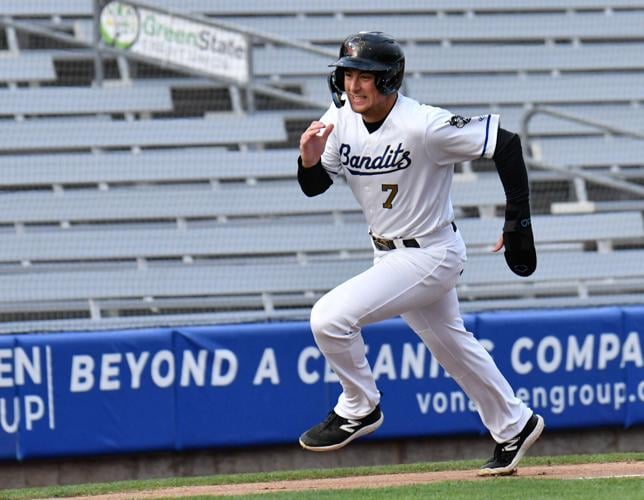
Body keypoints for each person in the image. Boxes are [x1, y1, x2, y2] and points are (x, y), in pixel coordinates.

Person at [296, 31, 543, 476]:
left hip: (430, 253)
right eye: (348, 74)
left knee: (329, 318)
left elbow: (506, 144)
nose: (354, 85)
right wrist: (309, 161)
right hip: (388, 254)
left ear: (390, 80)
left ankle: (360, 405)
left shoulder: (423, 124)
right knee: (452, 346)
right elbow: (315, 187)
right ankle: (514, 424)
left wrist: (517, 221)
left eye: (365, 76)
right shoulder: (340, 117)